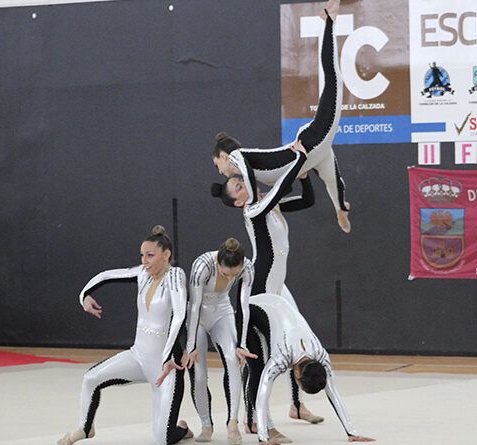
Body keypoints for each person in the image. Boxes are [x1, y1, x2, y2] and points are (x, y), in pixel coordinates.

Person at [211, 0, 351, 233]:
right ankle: (340, 208)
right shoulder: (259, 181)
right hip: (312, 154)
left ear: (225, 156)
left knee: (334, 82)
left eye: (218, 165)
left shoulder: (238, 157)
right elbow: (292, 192)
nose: (220, 171)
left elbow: (247, 174)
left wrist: (255, 199)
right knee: (333, 183)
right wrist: (299, 177)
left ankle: (329, 20)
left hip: (310, 143)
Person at [211, 164, 322, 432]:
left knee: (300, 343)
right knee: (258, 355)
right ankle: (251, 416)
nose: (245, 185)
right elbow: (282, 185)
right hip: (261, 287)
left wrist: (305, 177)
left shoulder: (271, 203)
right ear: (239, 202)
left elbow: (307, 200)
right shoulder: (254, 210)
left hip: (278, 285)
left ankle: (296, 405)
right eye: (239, 186)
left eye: (242, 181)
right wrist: (299, 162)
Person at [57, 226, 193, 445]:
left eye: (150, 255)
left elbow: (179, 316)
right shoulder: (141, 274)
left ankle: (182, 429)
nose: (145, 260)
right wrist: (84, 296)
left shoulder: (175, 276)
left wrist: (168, 356)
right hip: (138, 357)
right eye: (142, 255)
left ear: (166, 254)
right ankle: (85, 428)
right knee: (91, 378)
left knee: (161, 440)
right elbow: (106, 275)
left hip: (166, 369)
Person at [245, 293, 375, 445]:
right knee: (257, 370)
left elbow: (334, 395)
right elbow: (262, 395)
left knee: (262, 362)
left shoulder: (322, 357)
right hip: (249, 310)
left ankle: (256, 423)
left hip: (276, 309)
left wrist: (351, 432)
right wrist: (263, 439)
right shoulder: (281, 357)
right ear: (298, 373)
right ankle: (260, 427)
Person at [182, 238, 256, 444]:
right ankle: (206, 424)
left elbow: (243, 305)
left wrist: (241, 343)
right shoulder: (202, 265)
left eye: (235, 274)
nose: (230, 277)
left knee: (233, 363)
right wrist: (191, 346)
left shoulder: (247, 267)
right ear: (218, 264)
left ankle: (233, 423)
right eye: (225, 273)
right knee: (199, 374)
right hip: (198, 316)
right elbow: (195, 306)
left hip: (223, 311)